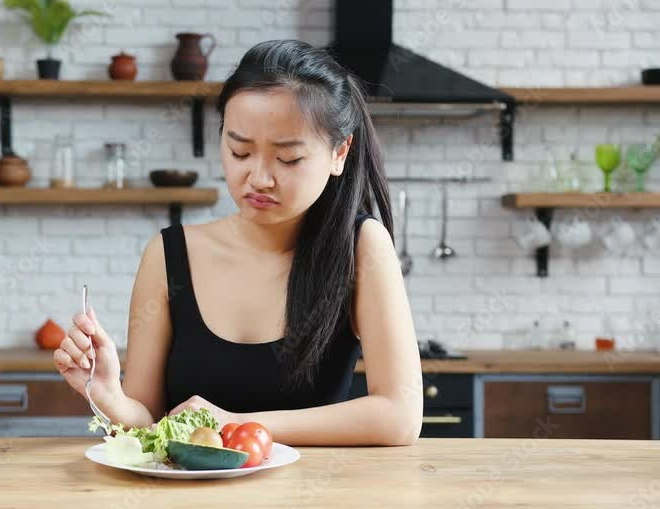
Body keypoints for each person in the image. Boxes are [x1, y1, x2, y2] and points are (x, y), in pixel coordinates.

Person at [54, 40, 422, 446]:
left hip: (313, 503)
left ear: (340, 153)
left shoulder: (360, 245)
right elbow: (149, 423)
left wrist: (232, 423)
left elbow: (399, 415)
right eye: (239, 151)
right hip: (185, 506)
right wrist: (108, 395)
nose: (259, 178)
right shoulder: (169, 254)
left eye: (288, 159)